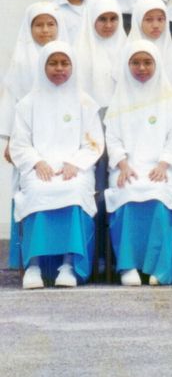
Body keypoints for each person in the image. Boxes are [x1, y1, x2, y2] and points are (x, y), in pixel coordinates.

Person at [11, 41, 103, 289]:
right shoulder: (27, 104)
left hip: (74, 168)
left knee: (74, 190)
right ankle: (34, 266)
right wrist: (37, 162)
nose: (59, 68)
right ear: (43, 66)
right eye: (53, 63)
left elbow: (93, 143)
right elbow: (19, 144)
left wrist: (75, 163)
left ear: (73, 66)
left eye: (65, 63)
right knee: (37, 190)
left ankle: (68, 265)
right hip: (38, 167)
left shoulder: (85, 103)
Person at [104, 40, 172, 286]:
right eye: (136, 62)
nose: (141, 68)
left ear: (157, 64)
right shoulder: (119, 100)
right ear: (127, 65)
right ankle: (128, 266)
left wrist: (163, 164)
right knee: (128, 192)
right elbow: (112, 138)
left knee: (158, 196)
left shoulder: (169, 101)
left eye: (147, 62)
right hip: (127, 167)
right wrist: (122, 164)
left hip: (161, 167)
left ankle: (159, 267)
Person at [0, 2, 61, 271]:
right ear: (29, 27)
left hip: (59, 134)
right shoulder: (21, 60)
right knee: (26, 188)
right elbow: (11, 100)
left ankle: (56, 253)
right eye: (39, 25)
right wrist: (10, 139)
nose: (45, 30)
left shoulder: (64, 56)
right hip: (27, 136)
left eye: (50, 24)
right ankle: (24, 255)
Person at [74, 0, 126, 111]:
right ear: (91, 18)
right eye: (102, 19)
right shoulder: (78, 53)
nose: (108, 25)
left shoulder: (127, 49)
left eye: (113, 19)